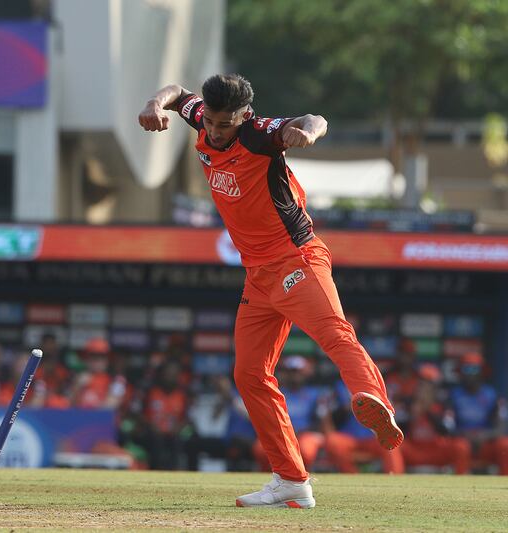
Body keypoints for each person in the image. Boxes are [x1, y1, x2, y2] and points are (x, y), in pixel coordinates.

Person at [138, 74, 401, 508]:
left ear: (245, 116)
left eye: (226, 124)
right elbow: (175, 91)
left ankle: (376, 402)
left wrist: (308, 132)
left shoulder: (260, 136)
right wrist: (154, 103)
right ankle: (291, 480)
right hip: (258, 277)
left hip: (297, 260)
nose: (216, 132)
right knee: (248, 373)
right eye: (212, 123)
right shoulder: (203, 116)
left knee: (335, 333)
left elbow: (313, 118)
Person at [251, 356, 326, 473]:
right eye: (291, 372)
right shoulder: (276, 393)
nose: (294, 375)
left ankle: (303, 479)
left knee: (306, 451)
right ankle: (270, 482)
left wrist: (301, 431)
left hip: (305, 434)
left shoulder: (315, 394)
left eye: (297, 372)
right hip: (280, 434)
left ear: (305, 373)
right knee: (260, 449)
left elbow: (321, 421)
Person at [449, 353, 508, 475]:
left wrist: (485, 435)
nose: (470, 374)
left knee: (504, 445)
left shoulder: (492, 395)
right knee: (460, 446)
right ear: (460, 372)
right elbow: (447, 426)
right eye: (466, 369)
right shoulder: (453, 395)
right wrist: (465, 435)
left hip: (485, 442)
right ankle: (457, 486)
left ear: (482, 372)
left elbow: (501, 426)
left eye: (474, 369)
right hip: (463, 441)